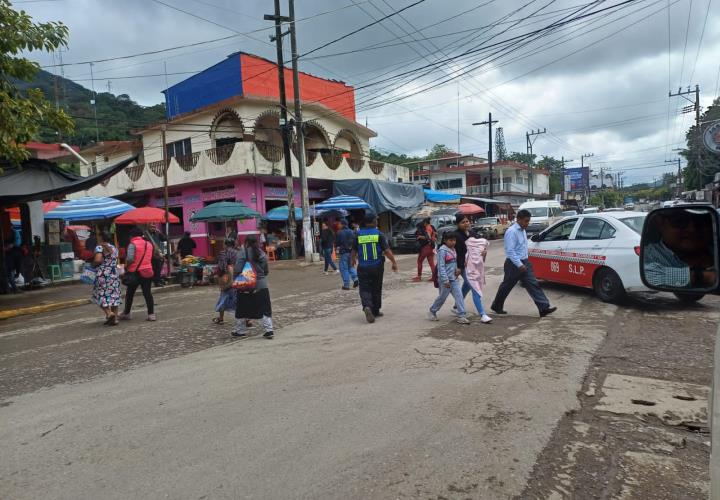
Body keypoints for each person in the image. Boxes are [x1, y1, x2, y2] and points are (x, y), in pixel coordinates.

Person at [491, 209, 557, 317]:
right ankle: (497, 305)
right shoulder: (511, 232)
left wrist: (525, 262)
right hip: (513, 263)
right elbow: (510, 251)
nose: (527, 223)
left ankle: (543, 308)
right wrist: (519, 264)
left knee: (533, 284)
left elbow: (522, 247)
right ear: (519, 220)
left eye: (528, 221)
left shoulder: (523, 230)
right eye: (526, 221)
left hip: (524, 262)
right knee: (506, 286)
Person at [644, 209, 716, 288]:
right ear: (660, 223)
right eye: (679, 221)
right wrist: (705, 277)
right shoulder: (648, 254)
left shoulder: (715, 249)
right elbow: (647, 275)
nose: (692, 229)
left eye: (702, 220)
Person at [351, 213, 399, 323]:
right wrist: (394, 262)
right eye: (376, 220)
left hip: (362, 267)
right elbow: (387, 251)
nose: (377, 222)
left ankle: (367, 306)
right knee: (376, 288)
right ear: (373, 222)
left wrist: (352, 260)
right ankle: (375, 311)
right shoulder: (379, 234)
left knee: (364, 288)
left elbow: (353, 250)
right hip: (377, 266)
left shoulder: (358, 235)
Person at [233, 235, 274, 339]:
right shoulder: (261, 253)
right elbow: (266, 270)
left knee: (242, 308)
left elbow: (238, 269)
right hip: (261, 285)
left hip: (246, 285)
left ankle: (240, 331)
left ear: (246, 242)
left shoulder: (243, 252)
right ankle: (269, 330)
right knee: (264, 308)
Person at [427, 232, 470, 324]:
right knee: (442, 297)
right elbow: (441, 267)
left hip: (454, 279)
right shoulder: (442, 251)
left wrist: (457, 269)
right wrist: (445, 280)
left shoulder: (453, 250)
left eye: (454, 240)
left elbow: (453, 263)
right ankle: (432, 311)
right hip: (445, 280)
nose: (453, 242)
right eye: (451, 240)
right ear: (445, 241)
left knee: (459, 296)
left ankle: (462, 315)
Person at [119, 227, 156, 321]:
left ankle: (127, 313)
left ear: (131, 235)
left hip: (135, 272)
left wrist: (126, 266)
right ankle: (151, 314)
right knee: (147, 293)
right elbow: (151, 256)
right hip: (148, 271)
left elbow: (130, 259)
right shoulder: (149, 244)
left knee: (130, 293)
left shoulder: (132, 244)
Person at [92, 230, 122, 325]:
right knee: (114, 296)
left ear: (101, 237)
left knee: (99, 294)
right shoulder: (114, 248)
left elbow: (98, 260)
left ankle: (109, 314)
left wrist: (93, 264)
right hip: (113, 274)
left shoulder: (100, 247)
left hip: (103, 274)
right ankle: (115, 318)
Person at [465, 227, 493, 323]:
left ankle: (457, 305)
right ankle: (482, 314)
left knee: (466, 287)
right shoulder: (466, 244)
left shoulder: (473, 245)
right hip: (469, 271)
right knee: (476, 291)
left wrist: (484, 254)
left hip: (475, 270)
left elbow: (482, 261)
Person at [213, 238, 239, 325]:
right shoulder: (238, 253)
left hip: (227, 278)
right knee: (238, 299)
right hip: (237, 278)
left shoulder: (223, 253)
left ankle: (221, 318)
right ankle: (247, 319)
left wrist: (219, 276)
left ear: (226, 244)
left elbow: (221, 267)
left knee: (223, 297)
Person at [335, 219, 359, 290]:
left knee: (344, 268)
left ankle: (346, 285)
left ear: (342, 224)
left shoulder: (340, 233)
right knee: (351, 266)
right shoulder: (352, 232)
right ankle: (355, 279)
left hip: (344, 252)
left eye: (339, 224)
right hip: (352, 253)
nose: (338, 225)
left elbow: (337, 243)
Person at [413, 217, 437, 282]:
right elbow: (435, 235)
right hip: (432, 246)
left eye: (424, 223)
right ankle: (434, 277)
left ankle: (419, 277)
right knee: (431, 262)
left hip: (426, 247)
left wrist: (420, 236)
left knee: (419, 261)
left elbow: (427, 237)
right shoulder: (432, 227)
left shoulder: (427, 228)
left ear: (425, 222)